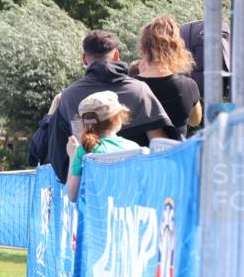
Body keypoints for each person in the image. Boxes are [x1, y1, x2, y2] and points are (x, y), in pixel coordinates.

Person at [45, 30, 174, 183]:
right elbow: (161, 149)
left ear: (85, 58)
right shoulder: (139, 90)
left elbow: (57, 155)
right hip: (135, 189)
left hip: (91, 192)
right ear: (117, 56)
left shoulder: (68, 96)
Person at [66, 90, 141, 201]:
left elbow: (72, 196)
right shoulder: (134, 148)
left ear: (84, 123)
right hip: (126, 213)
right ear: (117, 119)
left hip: (95, 215)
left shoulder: (84, 150)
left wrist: (72, 156)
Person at [135, 16, 202, 138]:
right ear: (176, 47)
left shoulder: (132, 86)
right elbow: (195, 121)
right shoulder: (189, 85)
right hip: (175, 155)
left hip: (140, 156)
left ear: (144, 47)